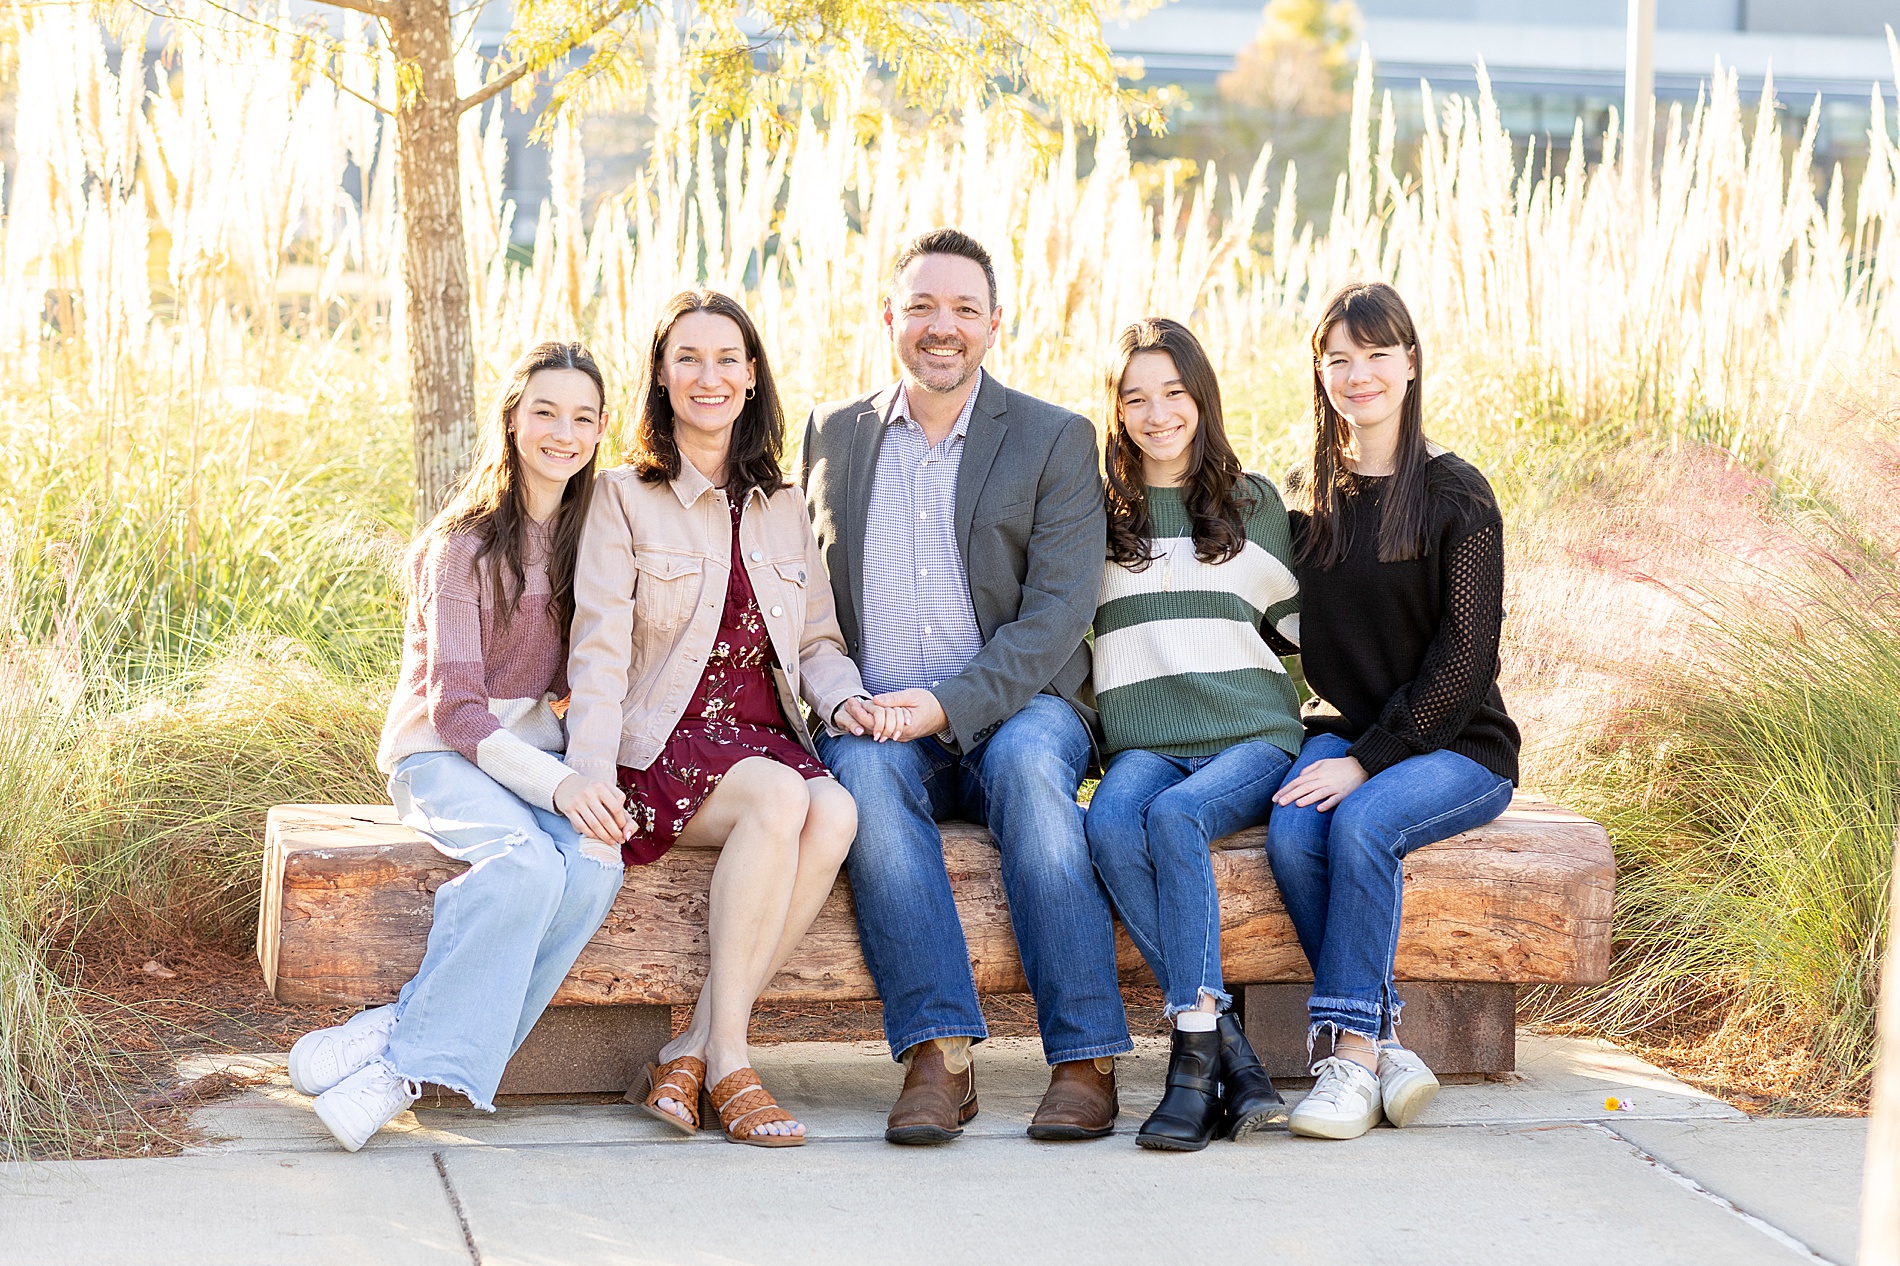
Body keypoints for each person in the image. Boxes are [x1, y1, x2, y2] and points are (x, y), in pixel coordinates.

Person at [800, 227, 1130, 1146]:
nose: (941, 327)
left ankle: (1085, 1057)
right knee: (859, 782)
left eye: (963, 309)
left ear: (995, 323)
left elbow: (1058, 613)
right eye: (921, 307)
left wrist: (945, 705)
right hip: (874, 719)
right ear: (890, 318)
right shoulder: (832, 432)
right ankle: (939, 1055)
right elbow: (801, 594)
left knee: (1031, 775)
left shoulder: (1054, 437)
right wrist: (849, 702)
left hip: (1018, 711)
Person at [563, 290, 900, 1148]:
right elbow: (599, 652)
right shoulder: (623, 496)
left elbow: (817, 640)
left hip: (764, 737)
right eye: (687, 359)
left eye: (726, 360)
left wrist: (846, 697)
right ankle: (735, 1060)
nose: (707, 377)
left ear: (752, 378)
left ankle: (692, 1046)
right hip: (662, 744)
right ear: (662, 376)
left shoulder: (782, 503)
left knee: (836, 809)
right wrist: (589, 777)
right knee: (783, 801)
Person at [290, 341, 629, 1152]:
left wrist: (579, 776)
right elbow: (457, 711)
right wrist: (558, 789)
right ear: (511, 420)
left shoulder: (594, 542)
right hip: (438, 755)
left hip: (529, 759)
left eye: (583, 417)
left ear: (600, 430)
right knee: (524, 863)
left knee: (594, 863)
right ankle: (406, 1072)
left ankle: (397, 1032)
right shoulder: (462, 547)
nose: (562, 432)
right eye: (544, 411)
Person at [1266, 281, 1521, 1141]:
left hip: (1457, 744)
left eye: (1377, 354)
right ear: (1320, 372)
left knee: (1361, 823)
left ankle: (1347, 1061)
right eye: (1339, 357)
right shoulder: (1304, 496)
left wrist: (1368, 760)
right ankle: (1386, 1035)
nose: (1358, 373)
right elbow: (1270, 627)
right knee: (1294, 830)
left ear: (1410, 363)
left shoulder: (1457, 496)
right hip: (1342, 731)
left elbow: (1465, 660)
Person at [1081, 318, 1301, 1151]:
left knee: (1174, 818)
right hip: (1143, 743)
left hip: (1250, 736)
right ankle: (1231, 1057)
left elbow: (1306, 633)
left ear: (1201, 399)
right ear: (1117, 414)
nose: (1157, 412)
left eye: (1173, 392)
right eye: (1135, 397)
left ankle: (1190, 1061)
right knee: (1107, 821)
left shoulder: (1253, 505)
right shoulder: (1098, 515)